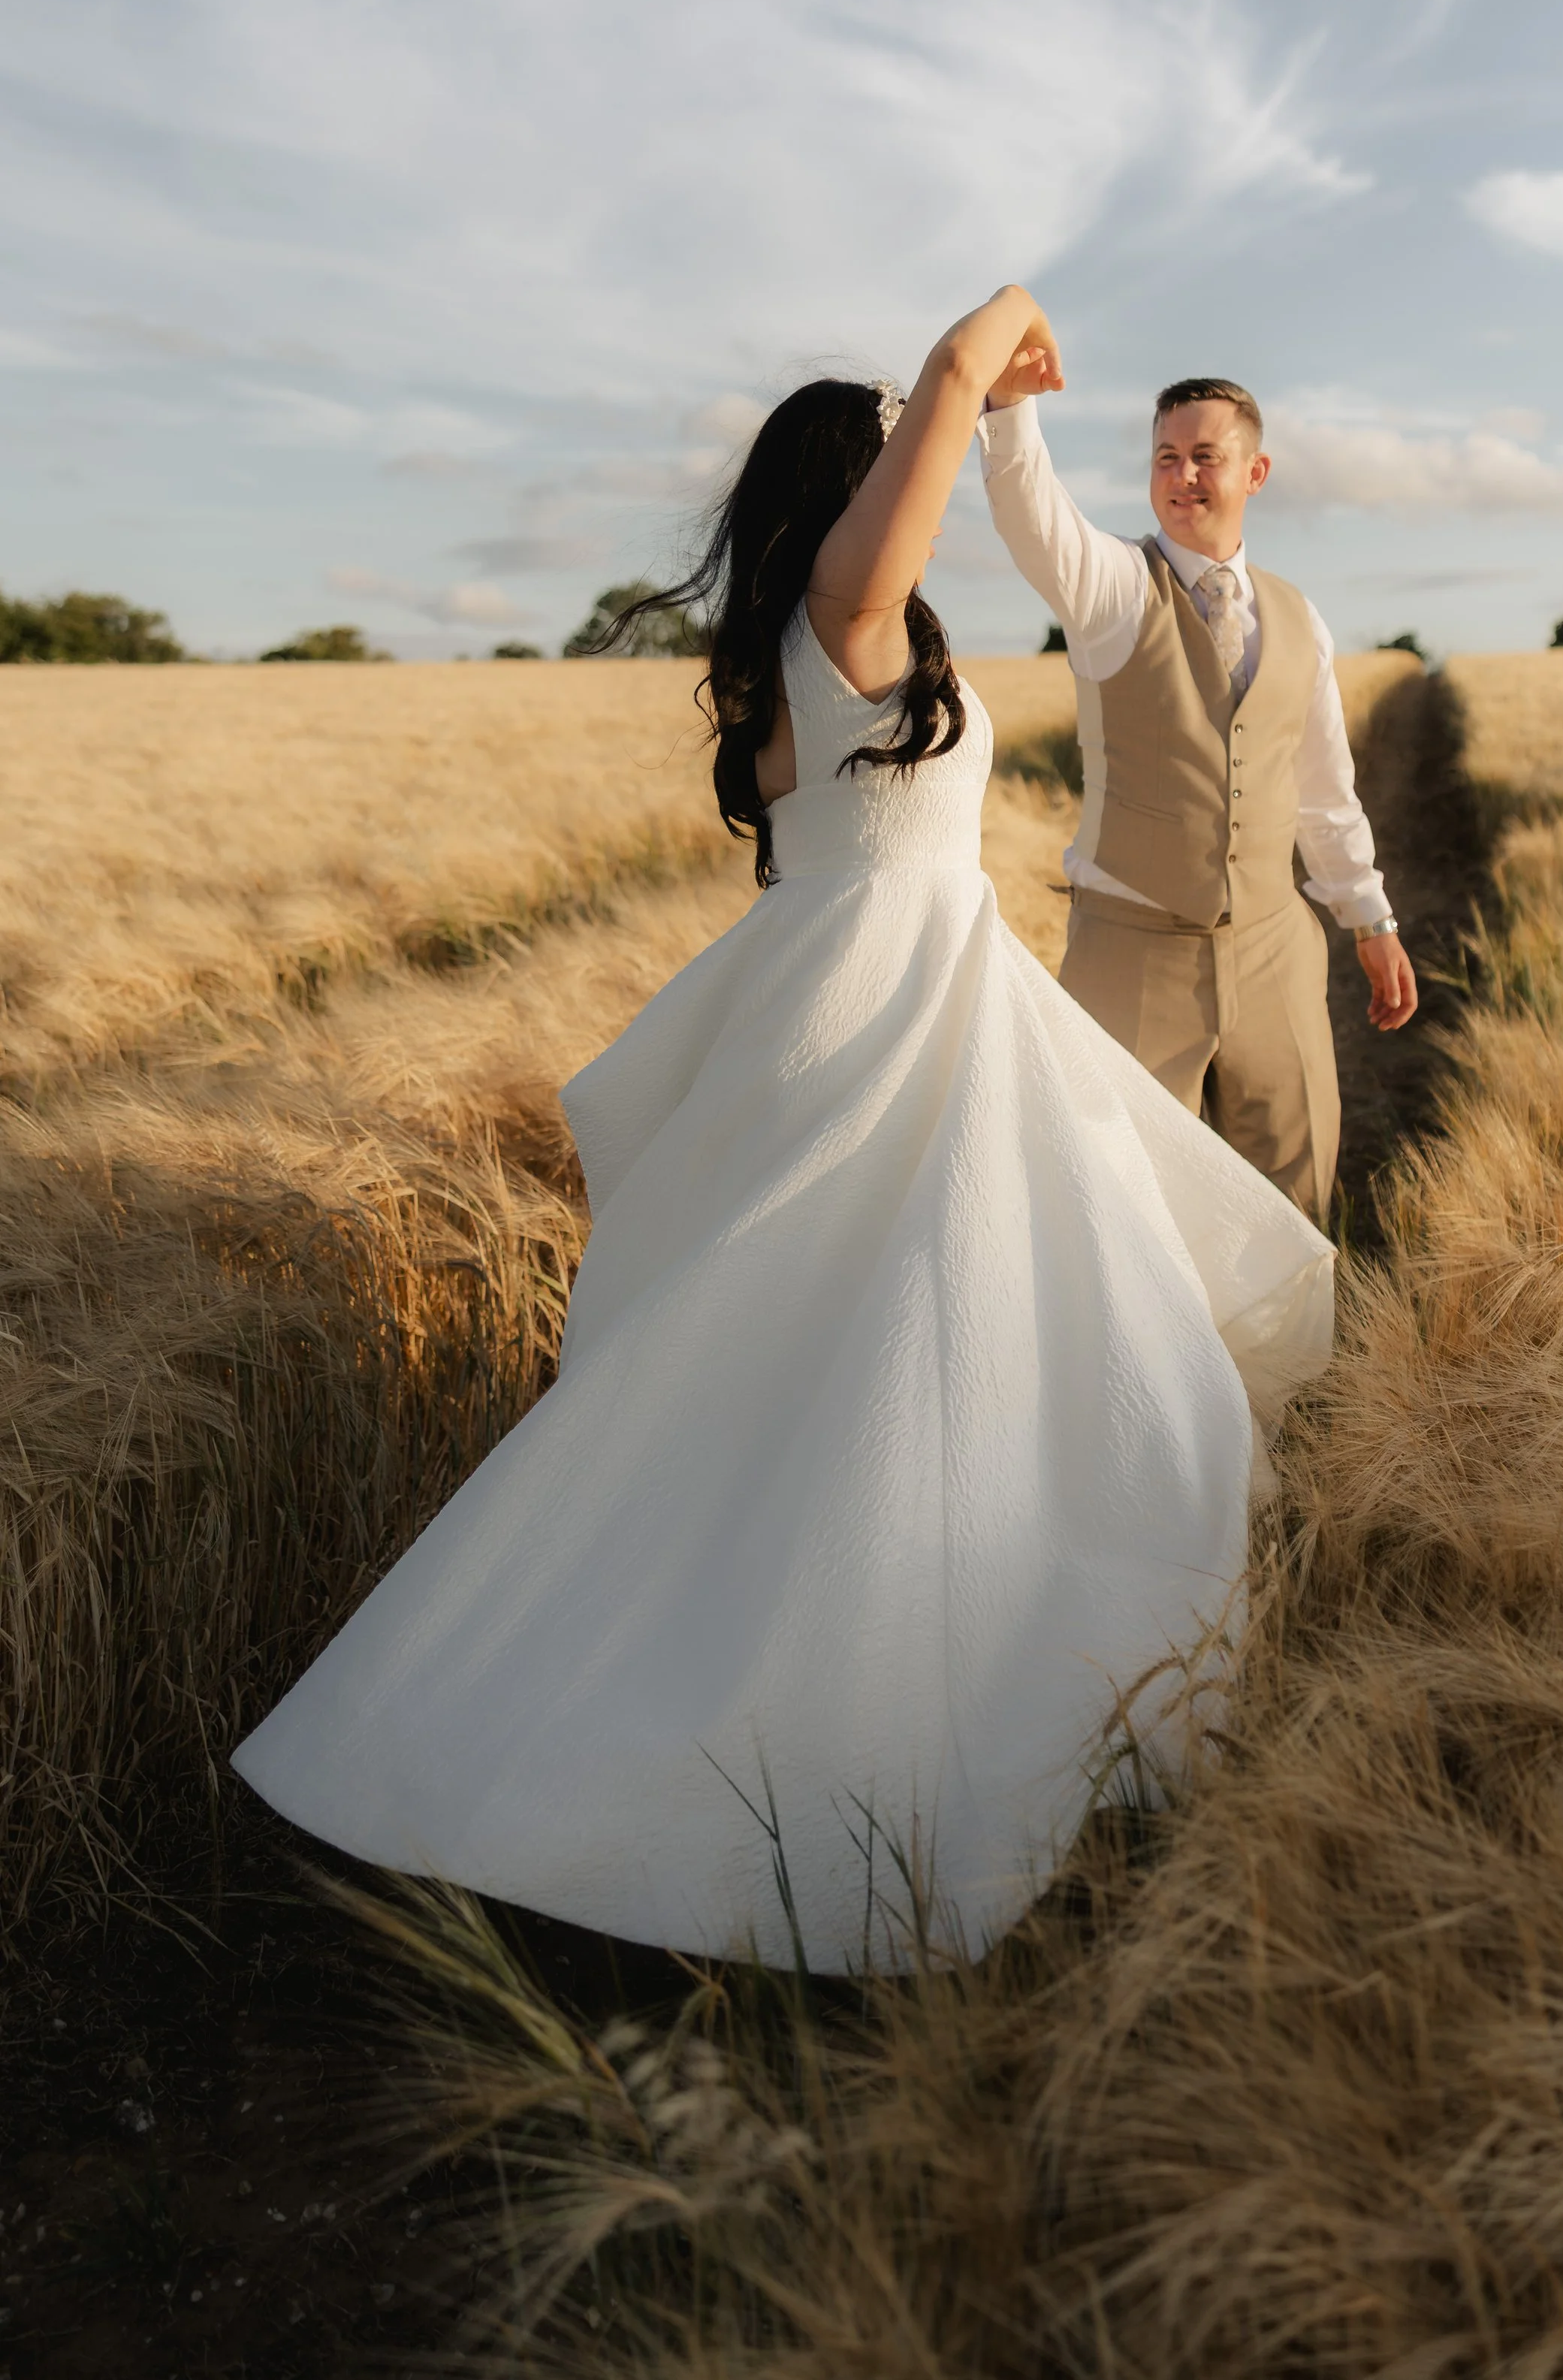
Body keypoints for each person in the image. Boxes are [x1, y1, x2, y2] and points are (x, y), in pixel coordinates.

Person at [233, 288, 1334, 1974]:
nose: (923, 462)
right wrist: (1002, 344)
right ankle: (871, 1756)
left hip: (874, 987)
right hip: (887, 1012)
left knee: (819, 1386)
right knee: (943, 1377)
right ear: (851, 482)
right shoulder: (849, 605)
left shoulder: (795, 644)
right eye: (892, 446)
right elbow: (960, 378)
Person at [979, 374, 1417, 1225]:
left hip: (1273, 950)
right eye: (1166, 459)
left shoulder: (1299, 618)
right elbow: (1032, 513)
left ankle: (1294, 1369)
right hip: (1132, 956)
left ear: (1254, 474)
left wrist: (1370, 920)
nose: (1182, 477)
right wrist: (1007, 406)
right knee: (1124, 1216)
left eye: (1204, 458)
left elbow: (1323, 791)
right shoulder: (1110, 590)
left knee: (1295, 1201)